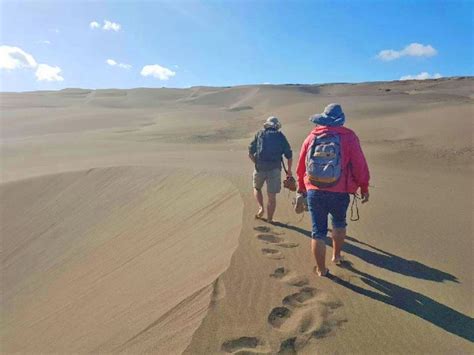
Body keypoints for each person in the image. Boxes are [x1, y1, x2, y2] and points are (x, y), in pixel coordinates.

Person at [296, 103, 370, 276]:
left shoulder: (311, 137)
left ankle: (321, 270)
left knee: (318, 232)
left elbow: (301, 166)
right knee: (338, 223)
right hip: (340, 190)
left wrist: (301, 187)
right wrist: (364, 186)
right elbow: (360, 165)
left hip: (314, 190)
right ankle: (336, 256)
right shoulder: (349, 137)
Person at [249, 116, 293, 223]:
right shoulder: (280, 136)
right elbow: (289, 155)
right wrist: (289, 170)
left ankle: (261, 208)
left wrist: (256, 163)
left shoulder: (260, 134)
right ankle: (270, 219)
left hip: (260, 168)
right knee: (272, 196)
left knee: (257, 188)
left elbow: (250, 152)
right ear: (277, 126)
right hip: (274, 169)